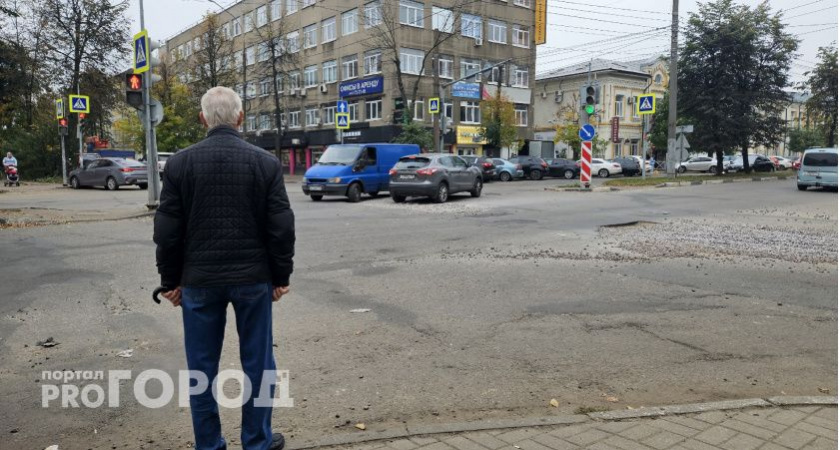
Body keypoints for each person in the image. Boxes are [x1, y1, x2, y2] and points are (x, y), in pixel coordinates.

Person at [154, 86, 295, 450]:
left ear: (202, 119)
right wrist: (280, 277)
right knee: (259, 364)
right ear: (240, 117)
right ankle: (258, 441)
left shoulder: (180, 163)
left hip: (199, 283)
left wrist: (170, 281)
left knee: (201, 369)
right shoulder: (264, 163)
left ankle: (209, 444)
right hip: (253, 280)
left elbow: (168, 231)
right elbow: (280, 226)